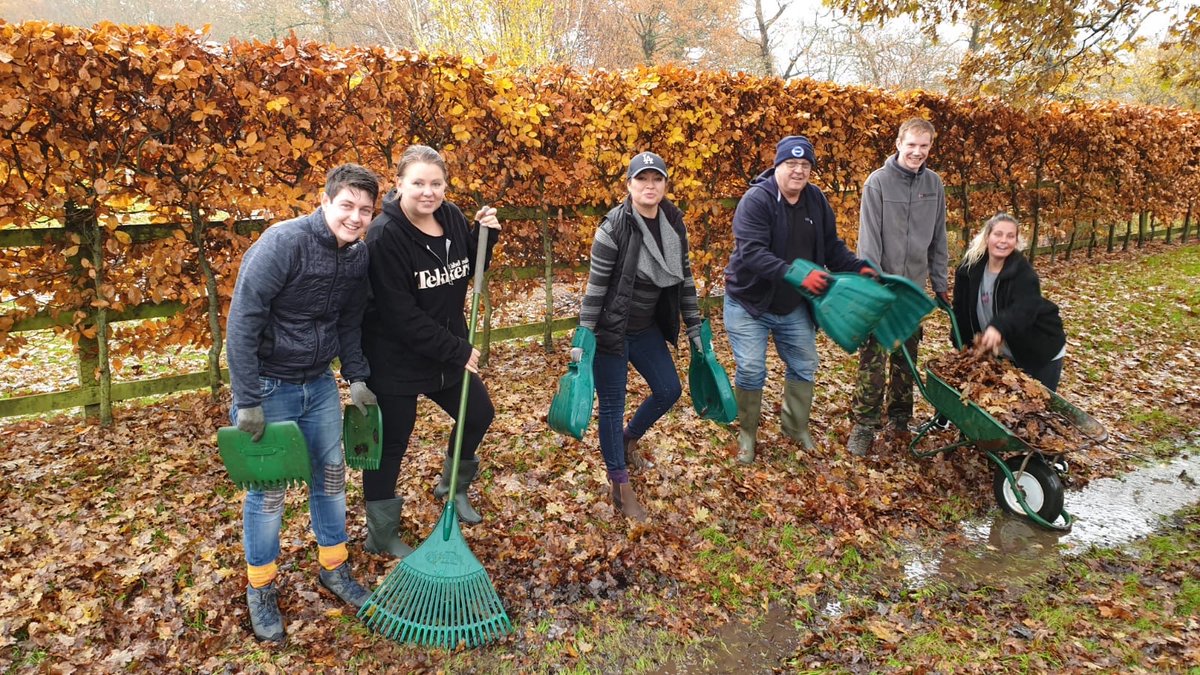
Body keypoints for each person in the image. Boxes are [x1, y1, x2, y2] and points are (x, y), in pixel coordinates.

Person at [225, 163, 380, 643]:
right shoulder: (283, 242)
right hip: (270, 388)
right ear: (326, 200)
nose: (355, 218)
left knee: (332, 477)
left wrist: (355, 375)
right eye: (347, 206)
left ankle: (333, 567)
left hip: (318, 387)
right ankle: (261, 587)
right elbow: (243, 319)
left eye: (365, 210)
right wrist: (247, 398)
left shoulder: (357, 256)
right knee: (269, 491)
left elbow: (350, 320)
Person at [359, 145, 500, 553]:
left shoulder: (452, 216)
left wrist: (486, 237)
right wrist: (456, 349)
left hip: (443, 353)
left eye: (436, 183)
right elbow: (400, 315)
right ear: (399, 183)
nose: (428, 191)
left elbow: (469, 267)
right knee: (392, 446)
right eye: (418, 182)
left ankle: (452, 485)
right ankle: (381, 534)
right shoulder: (384, 237)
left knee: (478, 414)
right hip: (395, 361)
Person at [724, 136, 875, 464]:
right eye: (791, 164)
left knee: (804, 364)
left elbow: (831, 245)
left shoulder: (816, 200)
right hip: (749, 302)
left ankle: (795, 427)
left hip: (792, 303)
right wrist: (796, 273)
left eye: (805, 165)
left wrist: (857, 267)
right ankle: (747, 433)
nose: (798, 171)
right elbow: (752, 254)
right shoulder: (757, 200)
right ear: (777, 166)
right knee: (751, 368)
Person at [577, 151, 704, 522]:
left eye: (657, 179)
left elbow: (685, 279)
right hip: (610, 331)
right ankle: (620, 484)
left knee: (669, 390)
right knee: (611, 409)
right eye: (642, 179)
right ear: (629, 185)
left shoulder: (673, 223)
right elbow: (595, 288)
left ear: (665, 184)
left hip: (647, 328)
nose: (650, 186)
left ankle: (629, 437)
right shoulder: (613, 228)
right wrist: (584, 338)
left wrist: (694, 327)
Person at [847, 118, 949, 457]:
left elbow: (938, 239)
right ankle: (864, 424)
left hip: (914, 289)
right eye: (912, 145)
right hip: (881, 286)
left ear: (930, 148)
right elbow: (869, 240)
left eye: (924, 147)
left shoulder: (934, 185)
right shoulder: (877, 183)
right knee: (873, 358)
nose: (917, 152)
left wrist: (940, 283)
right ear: (898, 143)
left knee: (908, 356)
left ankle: (901, 419)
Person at [952, 212, 1066, 390]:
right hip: (1005, 355)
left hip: (1039, 350)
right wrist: (959, 344)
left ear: (1016, 241)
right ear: (987, 236)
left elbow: (1024, 308)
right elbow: (961, 310)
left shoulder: (1023, 273)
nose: (1003, 240)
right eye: (998, 234)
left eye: (1010, 236)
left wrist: (998, 326)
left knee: (1035, 408)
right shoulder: (968, 270)